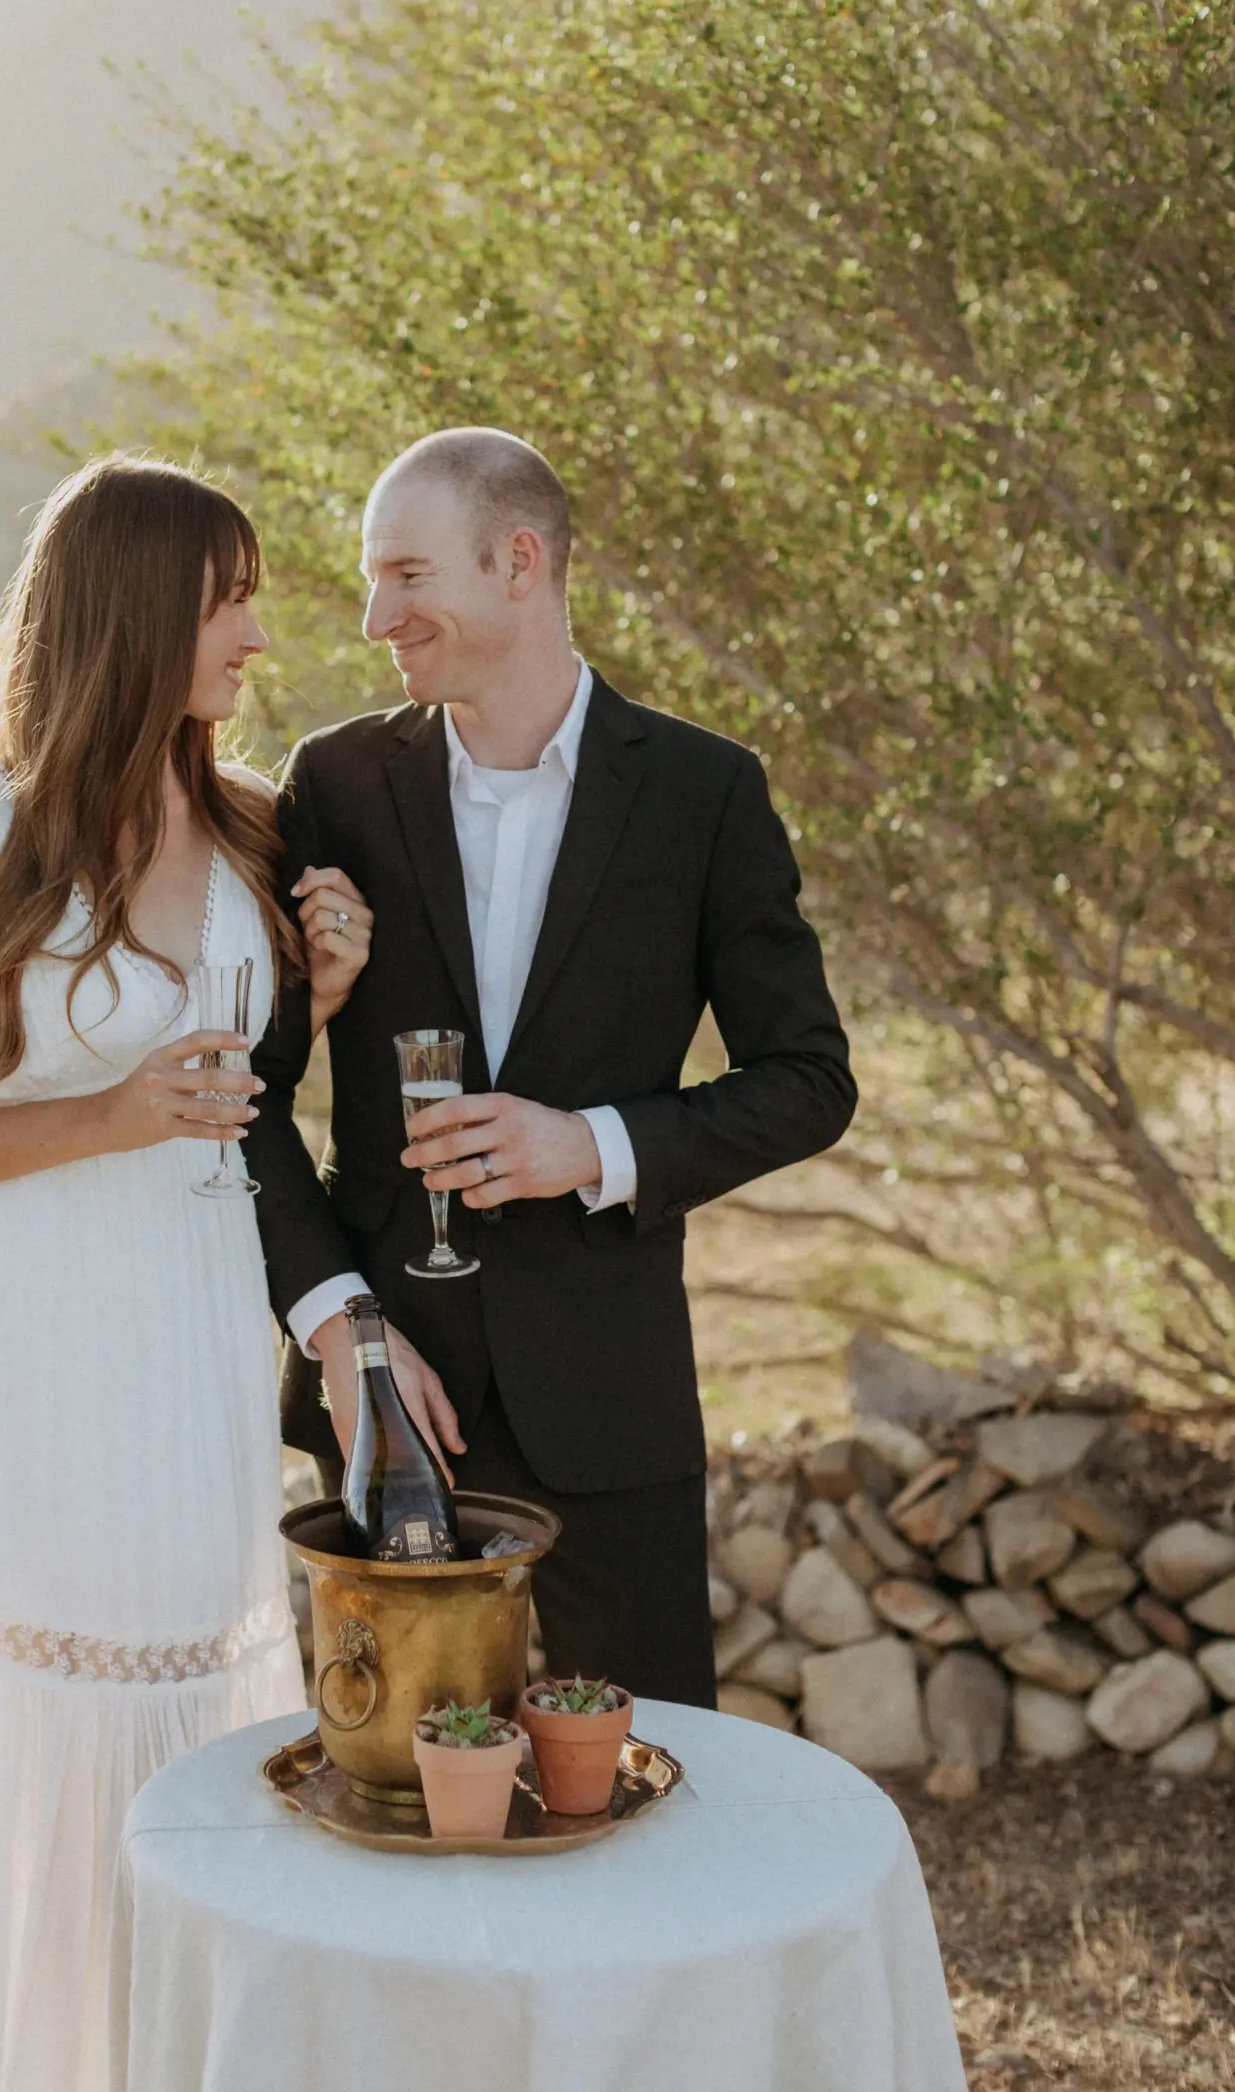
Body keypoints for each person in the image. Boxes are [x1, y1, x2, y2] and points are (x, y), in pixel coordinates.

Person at [0, 455, 372, 2092]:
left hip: (184, 1340)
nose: (256, 634)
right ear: (137, 612)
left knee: (188, 1724)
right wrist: (98, 1113)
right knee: (37, 1739)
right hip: (17, 1345)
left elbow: (230, 1113)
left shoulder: (250, 826)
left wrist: (312, 998)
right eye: (228, 597)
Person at [249, 428, 856, 1706]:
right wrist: (340, 1333)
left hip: (609, 1395)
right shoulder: (337, 782)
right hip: (390, 1392)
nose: (376, 618)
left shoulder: (705, 793)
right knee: (394, 1785)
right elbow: (253, 1088)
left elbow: (809, 1076)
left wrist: (595, 1146)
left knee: (630, 1785)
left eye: (407, 576)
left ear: (518, 561)